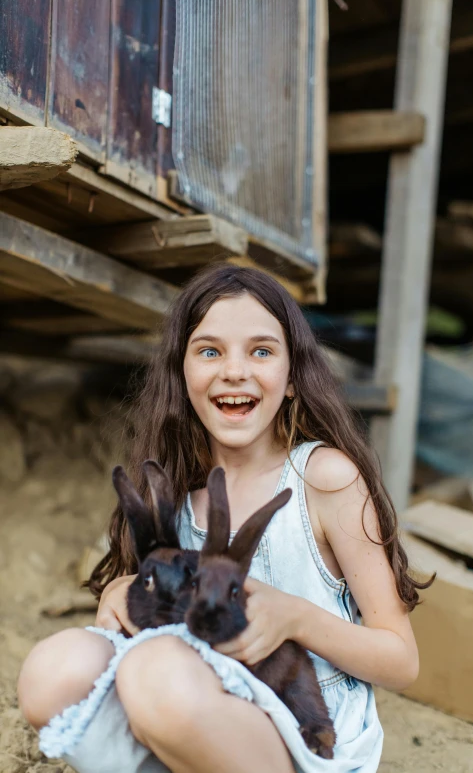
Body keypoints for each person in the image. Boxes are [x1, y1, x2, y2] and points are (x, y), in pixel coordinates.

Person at [18, 265, 429, 773]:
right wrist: (121, 591)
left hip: (304, 730)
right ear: (182, 374)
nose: (234, 370)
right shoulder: (175, 486)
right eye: (210, 351)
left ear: (295, 377)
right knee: (52, 671)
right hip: (192, 695)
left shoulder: (324, 479)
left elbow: (401, 660)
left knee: (155, 672)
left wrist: (295, 617)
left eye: (261, 351)